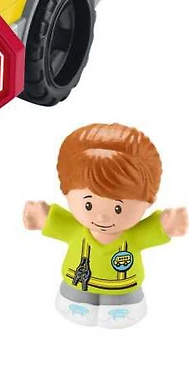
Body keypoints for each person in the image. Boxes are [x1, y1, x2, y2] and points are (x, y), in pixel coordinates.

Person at [24, 123, 187, 328]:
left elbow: (156, 229)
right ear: (66, 192)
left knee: (121, 303)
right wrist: (40, 217)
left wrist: (168, 224)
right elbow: (53, 222)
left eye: (118, 208)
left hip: (123, 290)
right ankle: (79, 305)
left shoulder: (134, 236)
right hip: (76, 287)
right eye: (89, 205)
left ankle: (119, 308)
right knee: (76, 297)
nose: (101, 216)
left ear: (148, 201)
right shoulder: (76, 229)